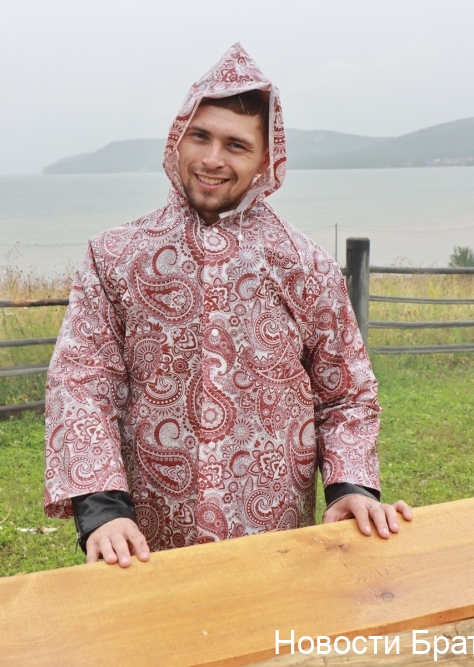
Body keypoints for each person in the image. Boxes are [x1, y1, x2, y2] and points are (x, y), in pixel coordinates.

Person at [44, 43, 411, 567]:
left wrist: (350, 487)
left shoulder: (305, 265)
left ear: (265, 159)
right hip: (143, 549)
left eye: (236, 145)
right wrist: (103, 510)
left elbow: (346, 393)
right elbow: (82, 382)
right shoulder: (114, 257)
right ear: (177, 137)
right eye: (201, 136)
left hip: (274, 543)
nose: (212, 159)